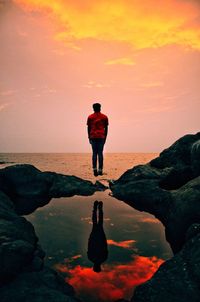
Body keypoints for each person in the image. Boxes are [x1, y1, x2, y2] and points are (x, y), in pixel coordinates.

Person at [87, 103, 109, 176]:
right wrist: (105, 137)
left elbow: (88, 128)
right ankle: (100, 170)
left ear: (93, 108)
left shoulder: (90, 117)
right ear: (100, 108)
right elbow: (106, 128)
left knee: (94, 153)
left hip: (93, 136)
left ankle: (94, 170)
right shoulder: (104, 117)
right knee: (100, 153)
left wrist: (89, 137)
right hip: (101, 137)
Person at [87, 201, 108, 272]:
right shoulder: (91, 258)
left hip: (99, 238)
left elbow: (105, 246)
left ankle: (98, 208)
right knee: (96, 223)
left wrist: (103, 237)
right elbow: (89, 246)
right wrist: (90, 238)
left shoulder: (103, 258)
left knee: (99, 223)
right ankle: (96, 208)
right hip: (96, 238)